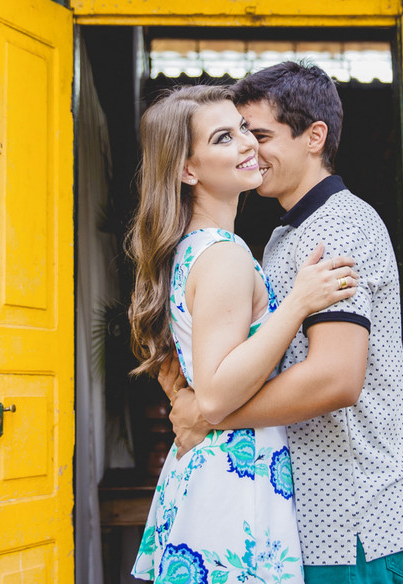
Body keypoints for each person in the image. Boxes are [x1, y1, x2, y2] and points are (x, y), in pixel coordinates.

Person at [163, 63, 403, 584]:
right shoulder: (285, 236)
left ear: (314, 137)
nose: (248, 150)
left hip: (354, 514)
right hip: (301, 514)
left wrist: (211, 415)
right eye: (236, 135)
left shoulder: (341, 225)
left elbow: (336, 378)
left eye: (258, 135)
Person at [127, 85, 360, 584]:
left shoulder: (196, 248)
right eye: (223, 137)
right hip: (234, 480)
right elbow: (214, 391)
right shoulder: (224, 254)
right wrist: (297, 304)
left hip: (216, 467)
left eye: (245, 130)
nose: (247, 144)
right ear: (188, 170)